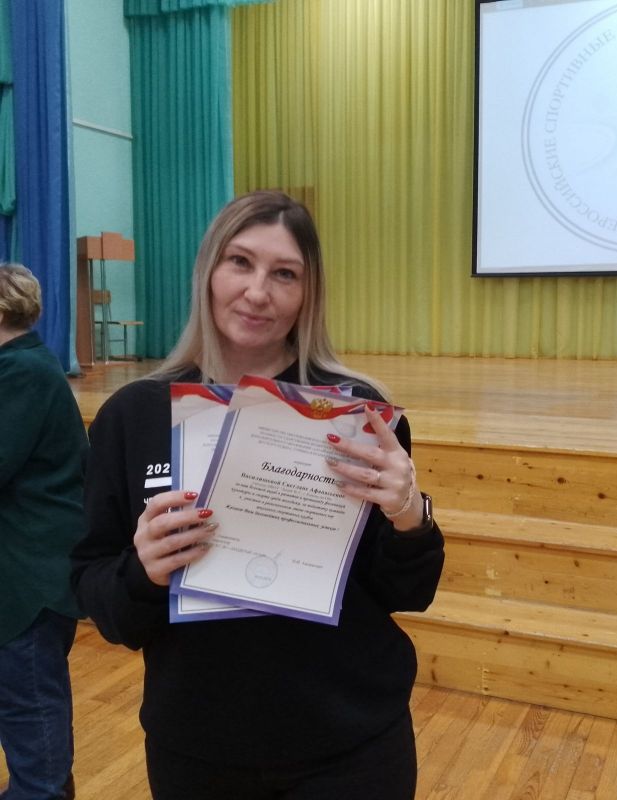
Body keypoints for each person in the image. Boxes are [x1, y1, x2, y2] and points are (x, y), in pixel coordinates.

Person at [71, 190, 444, 799]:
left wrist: (410, 515)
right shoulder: (133, 416)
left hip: (350, 745)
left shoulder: (356, 413)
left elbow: (408, 592)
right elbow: (101, 597)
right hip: (199, 746)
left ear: (308, 293)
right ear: (208, 270)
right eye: (240, 262)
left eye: (285, 274)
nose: (257, 291)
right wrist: (144, 571)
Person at [0, 263, 87, 800]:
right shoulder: (24, 364)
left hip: (28, 578)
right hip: (28, 569)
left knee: (30, 710)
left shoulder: (21, 372)